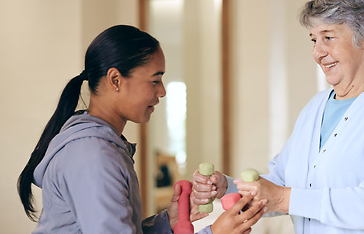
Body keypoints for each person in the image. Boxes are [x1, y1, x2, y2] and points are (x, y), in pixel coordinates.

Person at [192, 0, 364, 233]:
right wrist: (228, 187)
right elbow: (283, 183)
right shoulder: (315, 107)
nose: (317, 53)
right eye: (313, 40)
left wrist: (283, 199)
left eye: (328, 37)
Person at [17, 25, 267, 234]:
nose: (162, 91)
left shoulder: (100, 146)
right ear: (115, 80)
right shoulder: (93, 155)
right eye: (155, 80)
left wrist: (169, 221)